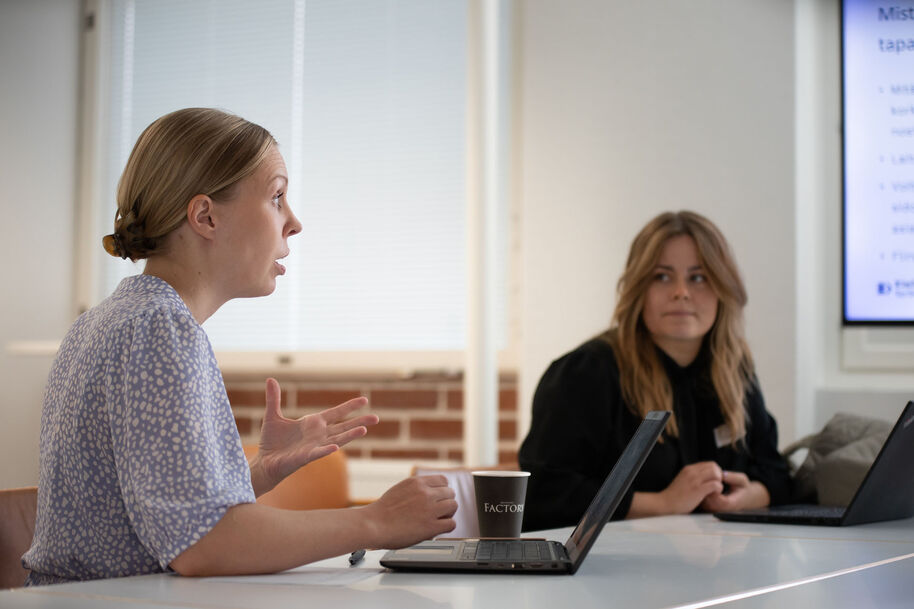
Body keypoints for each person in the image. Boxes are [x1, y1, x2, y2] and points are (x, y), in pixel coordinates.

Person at [23, 108, 457, 585]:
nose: (294, 222)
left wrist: (259, 472)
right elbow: (202, 547)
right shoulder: (160, 329)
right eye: (277, 197)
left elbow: (159, 517)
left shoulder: (107, 320)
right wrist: (377, 521)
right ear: (206, 217)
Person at [518, 210, 792, 531]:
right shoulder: (586, 372)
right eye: (662, 277)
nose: (681, 292)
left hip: (719, 555)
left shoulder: (734, 369)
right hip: (616, 560)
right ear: (638, 289)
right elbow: (541, 494)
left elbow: (778, 473)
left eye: (698, 278)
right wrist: (663, 504)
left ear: (723, 289)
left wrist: (746, 497)